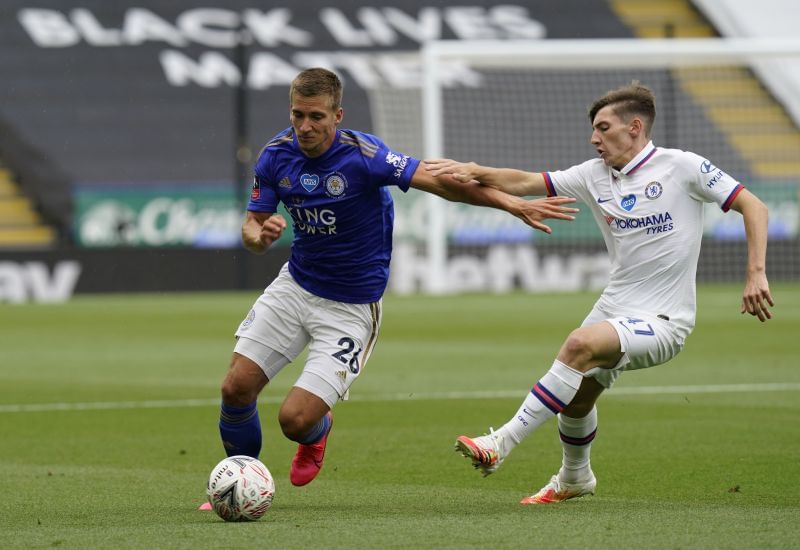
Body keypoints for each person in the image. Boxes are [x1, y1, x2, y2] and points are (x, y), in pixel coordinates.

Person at [207, 67, 579, 495]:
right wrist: (260, 236)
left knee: (294, 420)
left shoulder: (365, 156)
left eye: (316, 117)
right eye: (297, 115)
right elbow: (251, 228)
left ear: (337, 115)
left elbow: (442, 183)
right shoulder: (276, 154)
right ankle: (238, 483)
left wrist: (512, 204)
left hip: (350, 307)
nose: (305, 126)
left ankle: (316, 432)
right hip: (295, 286)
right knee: (235, 388)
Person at [425, 82, 774, 504]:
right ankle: (576, 477)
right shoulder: (594, 175)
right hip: (614, 307)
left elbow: (753, 205)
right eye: (593, 129)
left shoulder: (682, 167)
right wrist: (471, 169)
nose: (594, 138)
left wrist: (755, 273)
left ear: (635, 127)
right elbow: (522, 181)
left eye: (603, 127)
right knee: (575, 399)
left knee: (577, 345)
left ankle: (501, 442)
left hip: (665, 321)